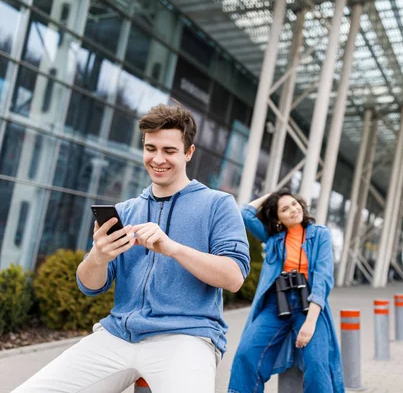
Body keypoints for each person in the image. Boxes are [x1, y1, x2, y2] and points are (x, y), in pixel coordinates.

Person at [15, 103, 250, 392]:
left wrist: (173, 248)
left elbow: (234, 277)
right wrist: (99, 256)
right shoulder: (125, 210)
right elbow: (89, 285)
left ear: (189, 153)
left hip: (186, 337)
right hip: (118, 335)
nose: (158, 159)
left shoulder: (218, 205)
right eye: (151, 148)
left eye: (169, 150)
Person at [228, 190, 344, 393]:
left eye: (294, 203)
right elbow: (245, 213)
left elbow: (323, 279)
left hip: (309, 305)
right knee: (246, 354)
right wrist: (274, 194)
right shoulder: (274, 239)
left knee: (317, 364)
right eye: (284, 209)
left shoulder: (320, 235)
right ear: (277, 218)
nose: (292, 209)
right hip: (276, 305)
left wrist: (310, 322)